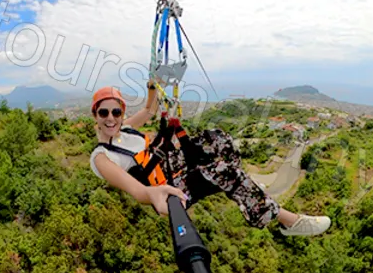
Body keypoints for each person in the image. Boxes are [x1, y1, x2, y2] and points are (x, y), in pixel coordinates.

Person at [88, 82, 331, 236]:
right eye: (104, 112)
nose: (110, 118)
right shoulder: (102, 157)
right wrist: (153, 195)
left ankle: (246, 190)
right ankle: (290, 222)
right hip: (167, 187)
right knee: (225, 172)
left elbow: (149, 111)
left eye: (116, 111)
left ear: (121, 113)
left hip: (173, 163)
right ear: (95, 115)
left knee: (219, 140)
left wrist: (153, 86)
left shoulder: (126, 129)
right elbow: (138, 190)